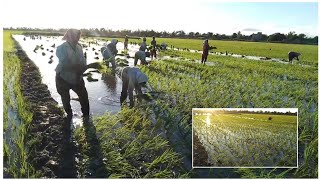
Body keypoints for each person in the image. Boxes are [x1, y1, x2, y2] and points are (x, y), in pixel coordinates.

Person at [55, 29, 90, 122]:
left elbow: (82, 60)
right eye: (76, 36)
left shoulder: (79, 47)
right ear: (69, 36)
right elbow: (64, 64)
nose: (78, 38)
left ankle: (86, 118)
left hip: (77, 77)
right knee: (66, 99)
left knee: (84, 97)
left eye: (79, 36)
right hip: (63, 78)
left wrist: (84, 66)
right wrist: (78, 67)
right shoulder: (61, 48)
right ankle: (69, 116)